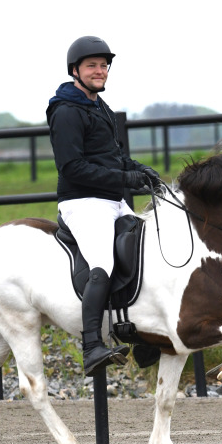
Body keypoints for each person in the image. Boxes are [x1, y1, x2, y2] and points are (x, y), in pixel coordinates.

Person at [46, 35, 161, 377]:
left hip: (111, 199)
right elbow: (72, 167)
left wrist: (140, 171)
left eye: (104, 65)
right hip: (82, 202)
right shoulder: (66, 112)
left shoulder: (100, 107)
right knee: (103, 264)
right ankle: (91, 346)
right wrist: (125, 180)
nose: (100, 71)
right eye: (92, 66)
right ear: (75, 71)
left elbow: (115, 157)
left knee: (148, 251)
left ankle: (139, 335)